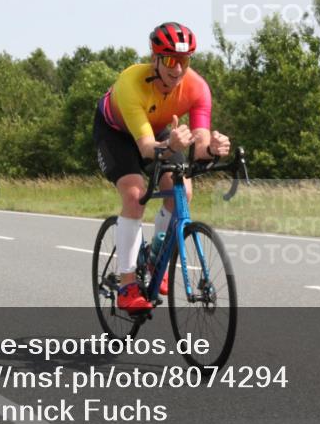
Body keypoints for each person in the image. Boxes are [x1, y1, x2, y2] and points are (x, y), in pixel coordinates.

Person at [93, 22, 231, 312]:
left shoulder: (198, 89)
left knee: (182, 191)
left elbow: (201, 145)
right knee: (134, 194)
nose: (177, 68)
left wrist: (214, 147)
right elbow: (145, 147)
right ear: (154, 59)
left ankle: (157, 257)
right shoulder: (131, 82)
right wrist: (171, 147)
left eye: (183, 60)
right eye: (169, 59)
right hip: (117, 133)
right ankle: (128, 285)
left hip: (161, 132)